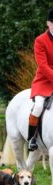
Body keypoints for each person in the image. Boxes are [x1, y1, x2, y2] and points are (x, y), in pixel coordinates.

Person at [28, 9, 53, 151]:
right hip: (44, 81)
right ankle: (31, 138)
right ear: (49, 23)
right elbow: (42, 65)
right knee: (38, 107)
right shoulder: (40, 40)